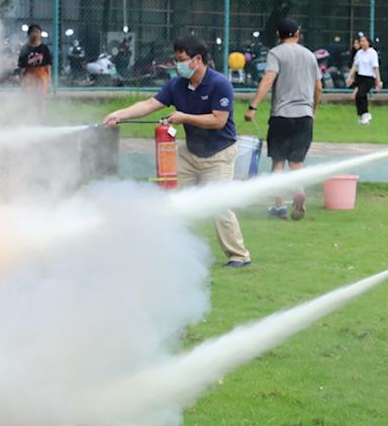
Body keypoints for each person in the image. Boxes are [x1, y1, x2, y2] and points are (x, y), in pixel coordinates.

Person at [104, 35, 252, 268]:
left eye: (182, 59)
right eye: (176, 59)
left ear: (197, 59)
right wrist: (118, 114)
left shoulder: (220, 84)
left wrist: (184, 117)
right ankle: (166, 249)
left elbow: (218, 121)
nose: (177, 64)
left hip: (219, 154)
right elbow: (149, 105)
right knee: (170, 199)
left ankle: (239, 256)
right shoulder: (177, 85)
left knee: (219, 204)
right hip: (190, 152)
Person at [245, 18, 322, 220]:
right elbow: (318, 87)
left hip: (281, 115)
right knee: (296, 162)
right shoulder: (310, 55)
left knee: (278, 162)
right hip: (304, 116)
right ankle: (299, 190)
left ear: (278, 35)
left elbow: (268, 79)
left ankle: (279, 206)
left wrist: (253, 107)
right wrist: (313, 110)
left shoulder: (275, 53)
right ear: (297, 33)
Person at [17, 24, 52, 118]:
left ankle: (41, 118)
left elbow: (48, 65)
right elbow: (21, 67)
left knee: (41, 98)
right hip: (29, 74)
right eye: (33, 32)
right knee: (29, 98)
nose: (35, 34)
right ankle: (29, 118)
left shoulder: (44, 48)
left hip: (41, 75)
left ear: (40, 34)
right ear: (28, 34)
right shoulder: (24, 48)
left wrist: (49, 79)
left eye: (37, 32)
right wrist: (21, 80)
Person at [346, 35, 381, 124]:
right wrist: (350, 76)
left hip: (369, 78)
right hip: (360, 77)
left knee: (361, 94)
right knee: (358, 96)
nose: (362, 43)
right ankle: (363, 115)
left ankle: (366, 114)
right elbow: (355, 66)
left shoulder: (373, 53)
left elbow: (375, 67)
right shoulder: (359, 53)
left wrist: (378, 81)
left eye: (364, 41)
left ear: (368, 42)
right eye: (361, 41)